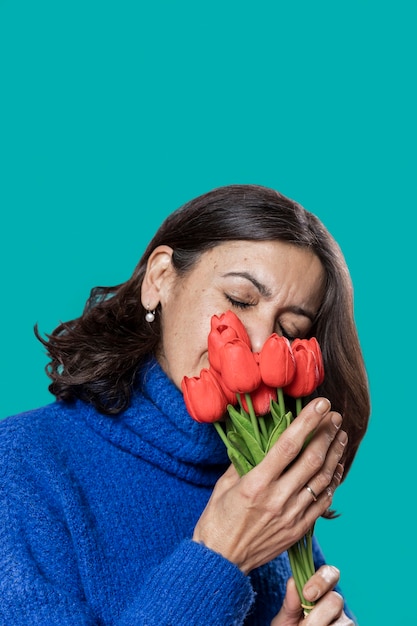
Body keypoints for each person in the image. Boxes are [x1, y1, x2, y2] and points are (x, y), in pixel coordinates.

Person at [0, 184, 370, 625]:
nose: (257, 343)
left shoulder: (272, 491)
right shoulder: (23, 464)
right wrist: (221, 555)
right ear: (160, 279)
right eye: (239, 300)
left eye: (289, 330)